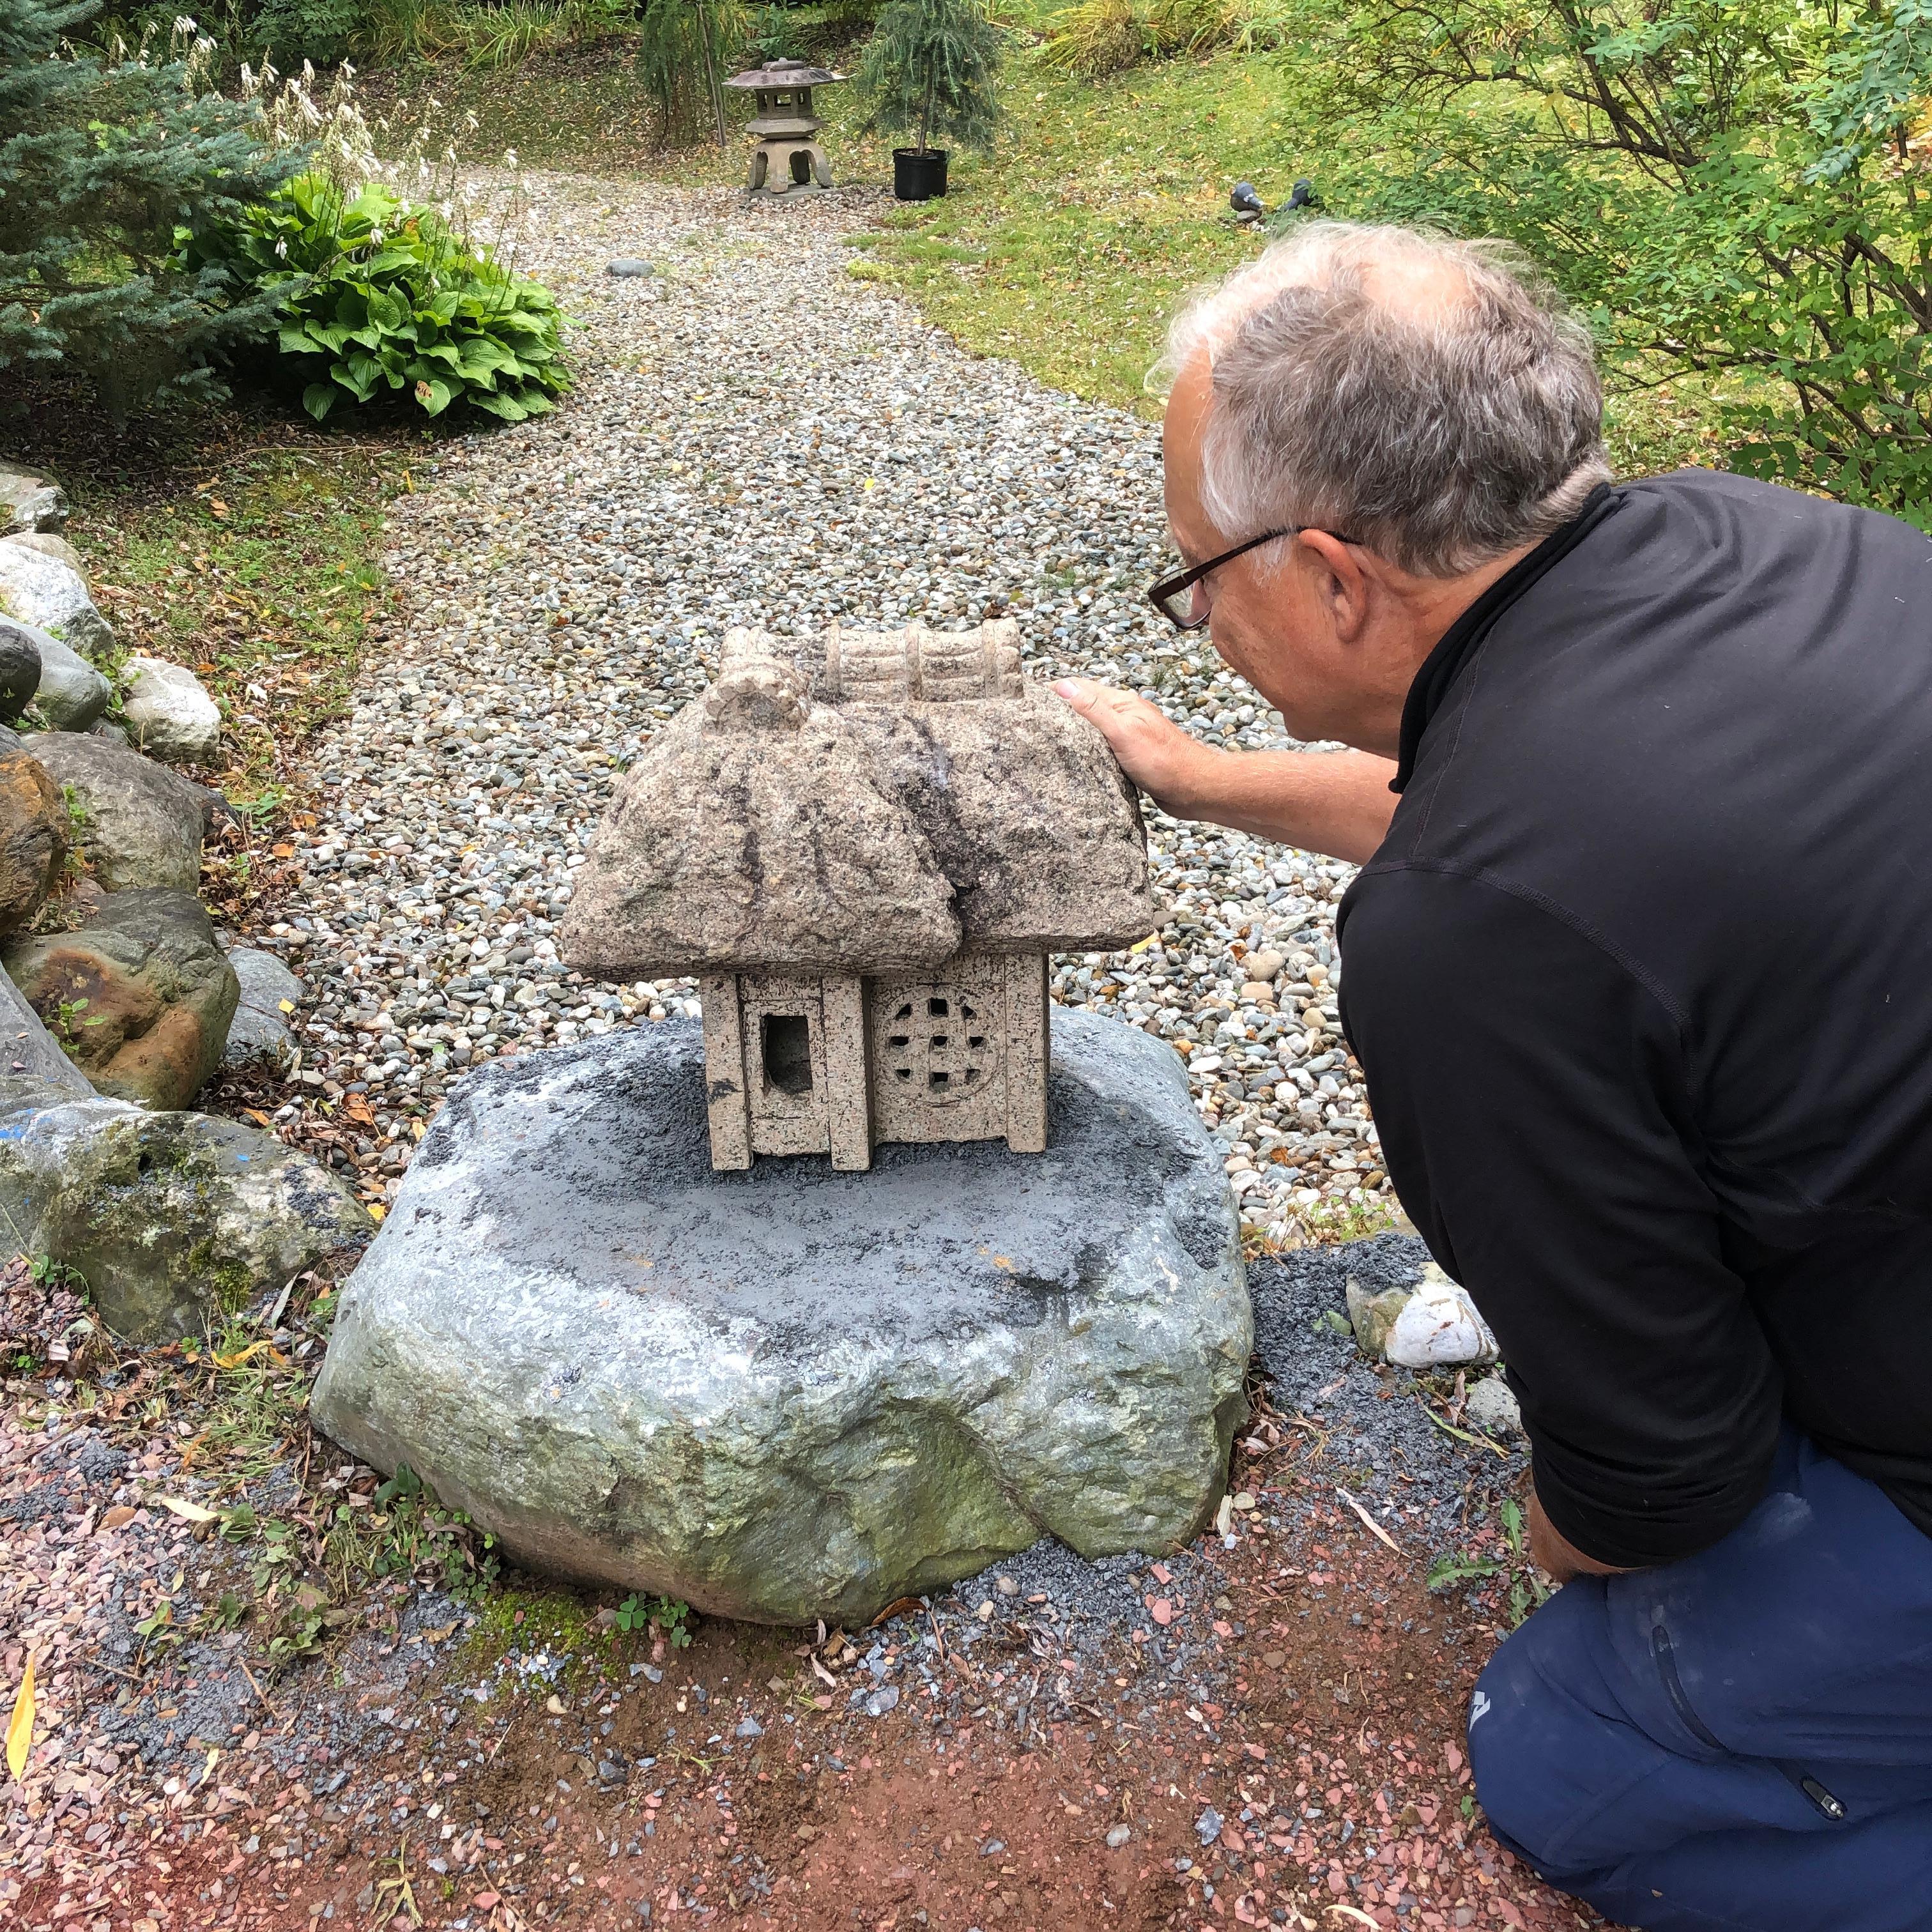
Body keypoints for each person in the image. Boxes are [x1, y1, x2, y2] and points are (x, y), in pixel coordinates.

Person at [1057, 222, 1932, 1931]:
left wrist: (1558, 1543)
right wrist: (1190, 772)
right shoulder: (1766, 539)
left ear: (1329, 575)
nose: (1200, 623)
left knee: (1561, 1737)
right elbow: (1533, 810)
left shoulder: (1461, 944)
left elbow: (1661, 1485)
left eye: (1197, 579)